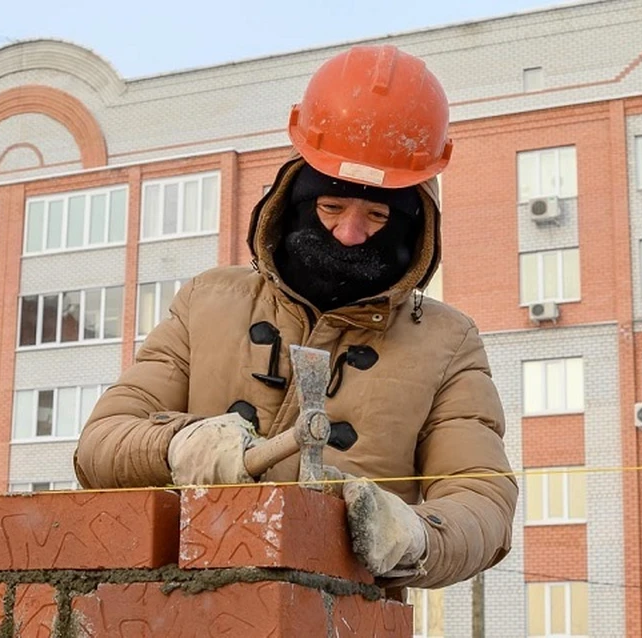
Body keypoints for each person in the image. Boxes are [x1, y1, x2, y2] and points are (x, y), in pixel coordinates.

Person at [73, 44, 517, 591]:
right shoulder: (208, 300)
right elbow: (99, 447)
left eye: (377, 215)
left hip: (343, 615)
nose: (350, 233)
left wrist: (416, 535)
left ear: (412, 221)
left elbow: (483, 501)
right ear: (297, 200)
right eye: (331, 208)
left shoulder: (449, 341)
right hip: (181, 606)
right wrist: (183, 446)